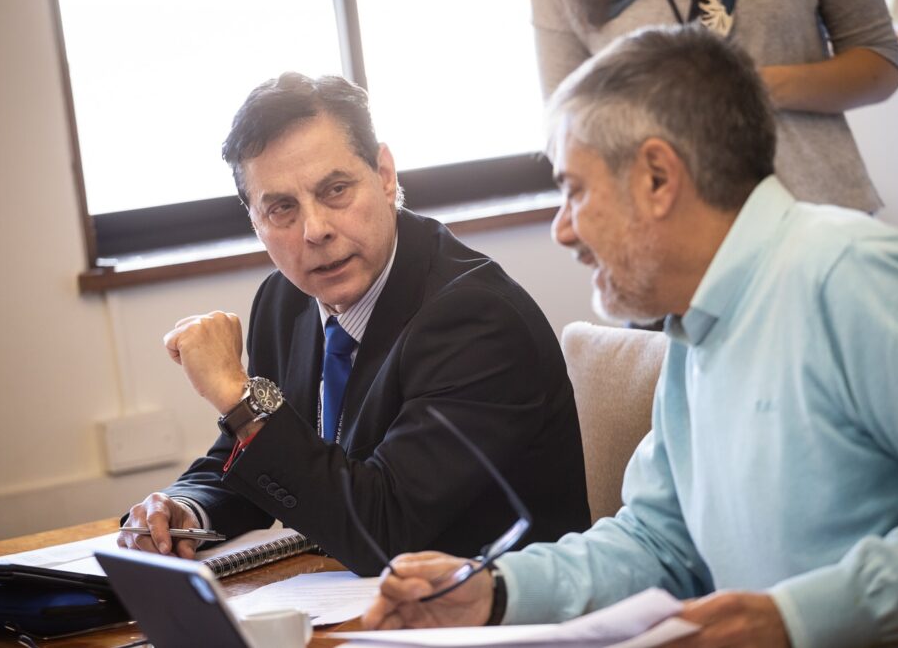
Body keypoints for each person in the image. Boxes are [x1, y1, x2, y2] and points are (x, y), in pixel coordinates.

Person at [364, 27, 898, 646]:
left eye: (575, 190)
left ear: (657, 177)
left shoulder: (848, 274)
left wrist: (800, 618)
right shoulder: (693, 329)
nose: (562, 230)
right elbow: (659, 541)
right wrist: (495, 591)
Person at [117, 73, 591, 575]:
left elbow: (383, 527)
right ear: (254, 222)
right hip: (354, 601)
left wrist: (237, 396)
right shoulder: (285, 301)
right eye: (281, 208)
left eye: (336, 190)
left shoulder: (476, 319)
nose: (315, 230)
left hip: (494, 605)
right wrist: (183, 508)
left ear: (384, 175)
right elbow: (263, 460)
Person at [530, 0, 898, 212]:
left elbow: (879, 60)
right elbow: (563, 123)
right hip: (659, 233)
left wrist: (744, 86)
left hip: (811, 209)